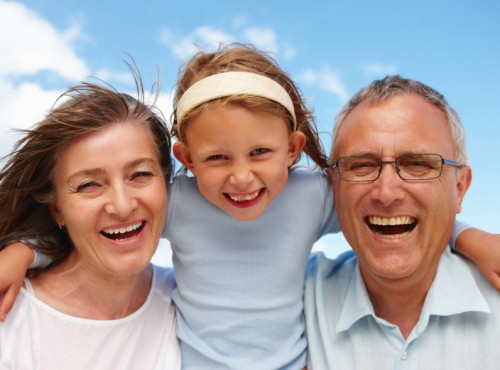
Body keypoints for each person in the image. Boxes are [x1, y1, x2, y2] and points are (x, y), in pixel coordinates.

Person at [1, 44, 498, 369]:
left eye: (260, 153)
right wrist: (25, 252)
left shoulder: (309, 196)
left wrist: (469, 239)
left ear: (293, 150)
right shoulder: (177, 203)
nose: (241, 178)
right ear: (186, 159)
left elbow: (391, 211)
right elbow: (109, 226)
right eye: (217, 159)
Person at [304, 75, 500, 369]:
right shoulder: (295, 299)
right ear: (334, 187)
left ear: (459, 188)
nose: (387, 192)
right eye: (361, 165)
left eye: (417, 164)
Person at [0, 76, 180, 369]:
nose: (122, 206)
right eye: (89, 185)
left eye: (140, 175)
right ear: (56, 209)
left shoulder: (186, 300)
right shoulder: (11, 319)